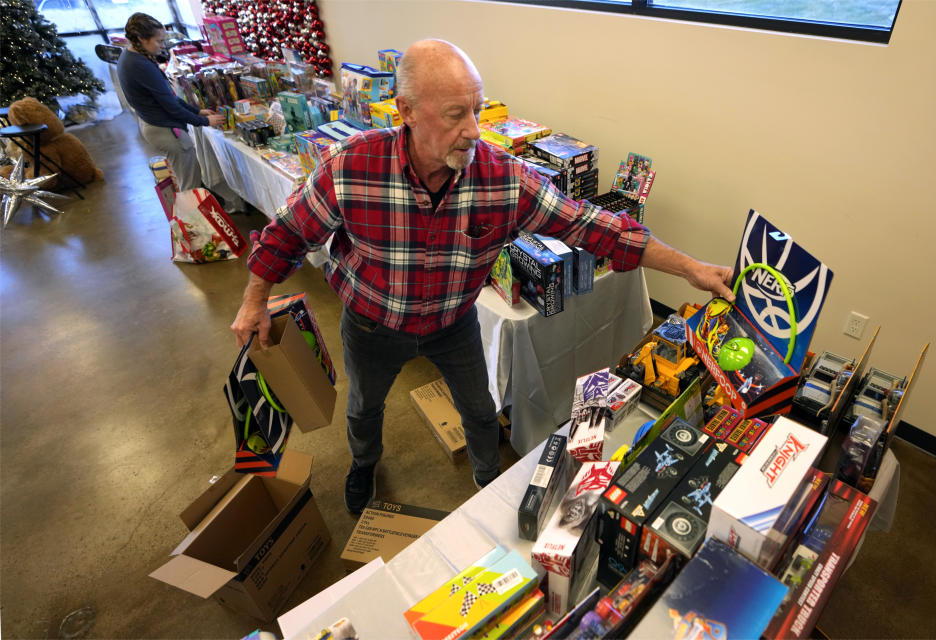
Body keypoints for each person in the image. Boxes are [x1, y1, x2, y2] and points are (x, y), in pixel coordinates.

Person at [231, 39, 734, 515]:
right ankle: (364, 465)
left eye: (477, 108)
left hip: (453, 325)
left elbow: (593, 226)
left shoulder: (502, 178)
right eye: (456, 114)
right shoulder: (350, 168)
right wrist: (255, 301)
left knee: (479, 408)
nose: (473, 128)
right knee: (363, 407)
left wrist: (691, 267)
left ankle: (488, 477)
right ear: (405, 111)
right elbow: (287, 234)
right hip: (371, 325)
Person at [117, 13, 224, 193]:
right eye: (159, 41)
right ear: (141, 39)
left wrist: (197, 112)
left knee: (187, 181)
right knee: (189, 187)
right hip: (166, 130)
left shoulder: (130, 57)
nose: (162, 46)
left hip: (154, 124)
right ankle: (191, 221)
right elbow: (171, 106)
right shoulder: (140, 65)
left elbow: (168, 96)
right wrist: (205, 122)